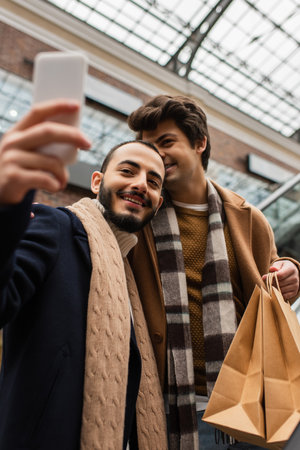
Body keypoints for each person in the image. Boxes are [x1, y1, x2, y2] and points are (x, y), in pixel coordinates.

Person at [127, 94, 300, 449]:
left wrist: (290, 271)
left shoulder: (249, 217)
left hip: (249, 401)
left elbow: (271, 282)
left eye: (166, 142)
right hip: (166, 404)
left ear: (199, 143)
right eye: (148, 146)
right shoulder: (138, 216)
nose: (156, 155)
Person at [0, 99, 168, 450]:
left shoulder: (131, 274)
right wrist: (5, 207)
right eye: (128, 171)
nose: (141, 184)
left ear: (158, 201)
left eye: (153, 181)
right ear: (97, 182)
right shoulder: (56, 226)